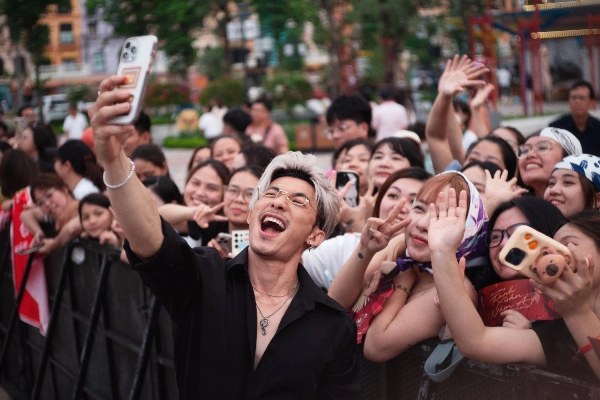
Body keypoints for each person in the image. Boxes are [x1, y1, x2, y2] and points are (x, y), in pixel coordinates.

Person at [90, 75, 359, 398]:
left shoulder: (332, 325)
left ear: (316, 236)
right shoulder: (203, 277)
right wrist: (114, 159)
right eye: (271, 193)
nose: (278, 202)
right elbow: (150, 237)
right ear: (251, 214)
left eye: (298, 201)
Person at [429, 191, 600, 381]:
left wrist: (577, 311)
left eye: (569, 243)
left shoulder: (573, 313)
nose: (555, 253)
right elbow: (476, 341)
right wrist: (442, 251)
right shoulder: (560, 332)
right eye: (495, 237)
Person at [329, 171, 486, 361]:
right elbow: (334, 303)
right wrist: (365, 250)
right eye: (419, 208)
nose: (422, 224)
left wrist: (402, 281)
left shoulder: (453, 288)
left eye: (441, 217)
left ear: (468, 229)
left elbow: (376, 348)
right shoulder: (400, 249)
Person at [302, 167, 431, 290]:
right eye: (393, 196)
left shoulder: (428, 265)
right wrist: (320, 217)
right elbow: (299, 263)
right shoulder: (349, 243)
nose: (399, 207)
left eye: (414, 202)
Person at [518, 127, 582, 197]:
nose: (530, 154)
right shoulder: (513, 201)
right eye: (524, 151)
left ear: (567, 158)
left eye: (542, 148)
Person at [550, 80, 600, 156]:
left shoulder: (598, 128)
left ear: (591, 102)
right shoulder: (556, 128)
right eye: (574, 98)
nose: (577, 102)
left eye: (582, 98)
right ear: (568, 101)